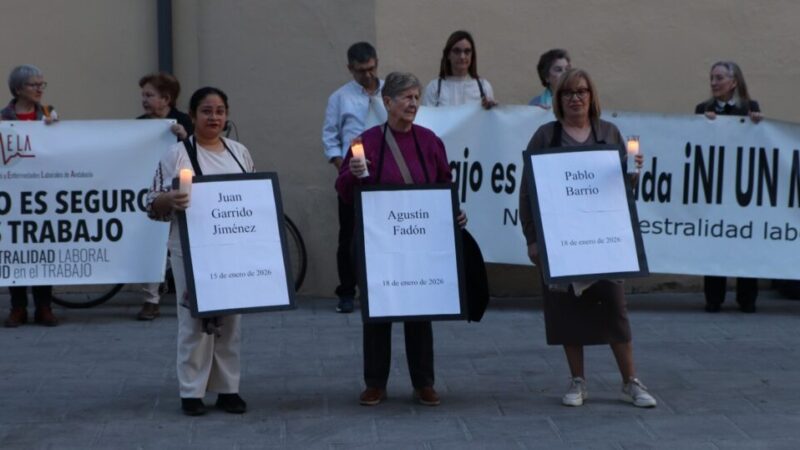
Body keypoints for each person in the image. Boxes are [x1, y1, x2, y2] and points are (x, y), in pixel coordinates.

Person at [519, 68, 656, 408]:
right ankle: (578, 381)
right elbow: (527, 193)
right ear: (559, 99)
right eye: (568, 93)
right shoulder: (544, 137)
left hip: (604, 241)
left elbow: (623, 192)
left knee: (614, 308)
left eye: (582, 91)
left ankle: (630, 381)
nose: (576, 98)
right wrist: (532, 239)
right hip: (561, 242)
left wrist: (633, 173)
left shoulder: (609, 133)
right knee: (567, 311)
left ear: (592, 96)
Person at [336, 72, 467, 407]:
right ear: (387, 102)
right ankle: (375, 382)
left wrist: (453, 212)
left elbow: (443, 184)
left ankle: (424, 382)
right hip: (377, 242)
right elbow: (345, 193)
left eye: (416, 97)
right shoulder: (364, 142)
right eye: (406, 97)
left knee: (419, 309)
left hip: (419, 241)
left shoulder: (429, 141)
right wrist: (352, 175)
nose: (412, 104)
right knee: (377, 308)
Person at [146, 87, 252, 416]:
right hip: (190, 248)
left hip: (232, 248)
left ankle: (227, 388)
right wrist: (170, 200)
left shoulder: (240, 152)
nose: (214, 117)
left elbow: (250, 198)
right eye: (206, 111)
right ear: (192, 117)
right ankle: (191, 391)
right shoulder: (177, 155)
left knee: (230, 320)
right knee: (194, 319)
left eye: (220, 111)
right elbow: (151, 202)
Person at [322, 42, 386, 314]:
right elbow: (330, 134)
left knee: (383, 233)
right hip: (353, 173)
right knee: (348, 235)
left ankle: (382, 287)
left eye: (371, 69)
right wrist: (342, 167)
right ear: (350, 69)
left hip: (385, 172)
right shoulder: (340, 97)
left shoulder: (390, 92)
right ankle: (347, 292)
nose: (368, 76)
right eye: (361, 71)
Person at [695, 61, 762, 313]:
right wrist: (704, 123)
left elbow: (758, 140)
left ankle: (747, 298)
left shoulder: (749, 108)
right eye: (712, 78)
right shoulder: (703, 109)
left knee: (744, 239)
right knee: (714, 240)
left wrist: (757, 122)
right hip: (714, 187)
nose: (713, 83)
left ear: (734, 82)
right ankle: (714, 298)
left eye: (719, 78)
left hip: (742, 188)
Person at [3, 64, 59, 328]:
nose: (39, 89)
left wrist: (57, 129)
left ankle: (44, 306)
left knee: (42, 248)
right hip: (13, 196)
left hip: (43, 195)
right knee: (15, 249)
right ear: (17, 89)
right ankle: (18, 307)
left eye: (41, 84)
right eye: (33, 85)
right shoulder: (3, 118)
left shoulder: (49, 115)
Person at [135, 72, 194, 321]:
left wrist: (184, 136)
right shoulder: (138, 124)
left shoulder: (185, 122)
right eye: (143, 95)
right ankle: (151, 299)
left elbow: (197, 153)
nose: (144, 100)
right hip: (150, 192)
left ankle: (190, 294)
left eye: (149, 95)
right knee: (150, 243)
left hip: (180, 194)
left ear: (166, 98)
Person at [422, 30, 496, 109]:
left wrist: (491, 109)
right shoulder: (434, 88)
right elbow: (427, 120)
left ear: (472, 55)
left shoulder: (484, 87)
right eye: (457, 51)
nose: (462, 57)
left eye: (467, 51)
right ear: (448, 55)